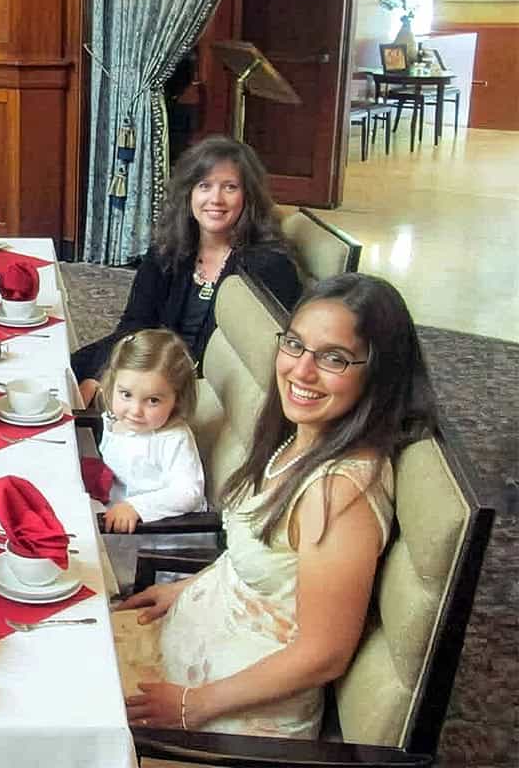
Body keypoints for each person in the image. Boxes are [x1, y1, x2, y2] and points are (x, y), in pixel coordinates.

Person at [115, 273, 438, 737]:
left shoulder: (339, 493)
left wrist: (192, 705)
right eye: (295, 344)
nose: (301, 371)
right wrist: (188, 588)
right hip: (192, 645)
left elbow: (324, 654)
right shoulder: (298, 437)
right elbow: (264, 557)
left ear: (378, 372)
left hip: (231, 714)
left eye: (334, 358)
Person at [74, 135, 302, 404]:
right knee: (67, 370)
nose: (216, 199)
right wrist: (103, 374)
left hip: (198, 388)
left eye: (230, 187)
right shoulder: (167, 251)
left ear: (248, 197)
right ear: (188, 193)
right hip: (153, 363)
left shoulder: (268, 267)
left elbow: (251, 367)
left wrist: (123, 383)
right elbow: (135, 325)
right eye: (204, 186)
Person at [97, 329, 205, 534]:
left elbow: (189, 492)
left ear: (177, 400)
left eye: (153, 400)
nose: (135, 410)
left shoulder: (174, 438)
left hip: (156, 530)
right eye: (126, 394)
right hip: (112, 508)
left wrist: (136, 507)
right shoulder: (115, 420)